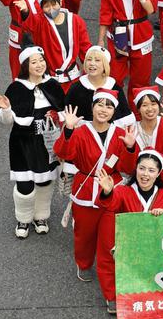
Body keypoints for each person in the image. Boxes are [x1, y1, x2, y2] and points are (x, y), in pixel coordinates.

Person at [96, 151, 163, 319]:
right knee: (133, 306)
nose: (145, 174)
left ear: (159, 173)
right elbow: (111, 204)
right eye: (142, 168)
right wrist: (108, 191)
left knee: (156, 307)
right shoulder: (124, 191)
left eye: (151, 170)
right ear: (136, 169)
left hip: (157, 259)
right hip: (131, 259)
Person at [53, 91, 138, 282]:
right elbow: (64, 152)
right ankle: (83, 263)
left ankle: (110, 267)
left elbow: (128, 168)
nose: (104, 110)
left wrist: (131, 148)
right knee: (84, 234)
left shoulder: (121, 134)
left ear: (114, 111)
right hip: (85, 187)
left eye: (109, 106)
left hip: (112, 188)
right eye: (100, 104)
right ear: (92, 107)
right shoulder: (80, 130)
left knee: (111, 234)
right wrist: (68, 129)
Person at [0, 45, 65, 239]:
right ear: (26, 66)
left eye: (41, 60)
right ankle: (23, 218)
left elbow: (64, 113)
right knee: (25, 184)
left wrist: (57, 116)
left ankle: (40, 216)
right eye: (34, 62)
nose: (39, 65)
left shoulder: (53, 85)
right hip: (23, 144)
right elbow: (7, 120)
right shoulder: (16, 88)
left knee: (46, 181)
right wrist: (7, 109)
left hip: (47, 143)